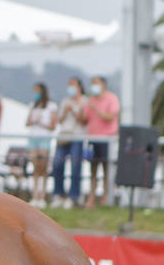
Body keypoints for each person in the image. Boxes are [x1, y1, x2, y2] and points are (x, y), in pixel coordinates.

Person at [80, 75, 120, 208]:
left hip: (107, 139)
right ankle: (91, 198)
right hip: (92, 138)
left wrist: (95, 109)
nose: (93, 86)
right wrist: (81, 108)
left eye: (96, 83)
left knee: (106, 169)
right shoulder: (90, 100)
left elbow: (109, 117)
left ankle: (105, 198)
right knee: (93, 170)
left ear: (103, 84)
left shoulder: (112, 99)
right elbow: (83, 120)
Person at [51, 77, 86, 207]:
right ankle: (58, 194)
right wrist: (65, 111)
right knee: (57, 163)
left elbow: (84, 120)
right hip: (64, 136)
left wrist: (75, 110)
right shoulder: (65, 101)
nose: (70, 87)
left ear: (79, 87)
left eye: (73, 85)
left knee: (75, 167)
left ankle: (74, 196)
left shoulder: (85, 101)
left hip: (77, 136)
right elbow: (59, 120)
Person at [25, 82, 57, 206]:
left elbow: (53, 125)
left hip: (44, 139)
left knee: (43, 167)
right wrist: (33, 119)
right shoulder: (33, 105)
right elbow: (27, 122)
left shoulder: (51, 106)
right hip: (33, 138)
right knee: (35, 168)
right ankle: (35, 195)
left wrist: (42, 122)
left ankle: (42, 195)